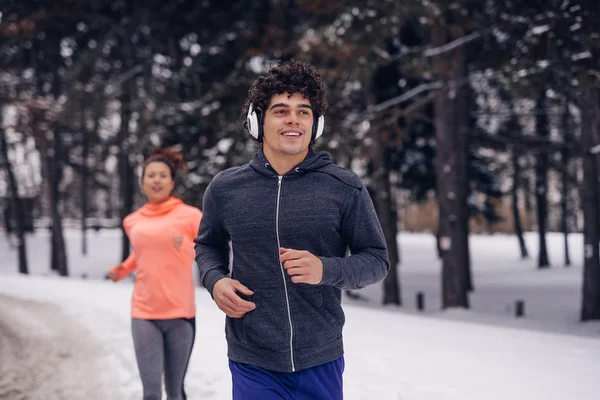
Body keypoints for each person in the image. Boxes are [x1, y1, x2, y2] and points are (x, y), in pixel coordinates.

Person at [194, 59, 389, 400]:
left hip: (321, 359)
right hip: (252, 358)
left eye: (304, 111)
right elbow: (207, 245)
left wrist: (326, 269)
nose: (293, 120)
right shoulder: (225, 189)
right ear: (257, 121)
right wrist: (215, 280)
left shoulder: (343, 187)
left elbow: (376, 259)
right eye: (281, 110)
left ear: (316, 124)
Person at [108, 147, 202, 400]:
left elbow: (207, 250)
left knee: (175, 391)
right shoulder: (132, 221)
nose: (156, 180)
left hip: (180, 313)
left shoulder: (192, 216)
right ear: (142, 182)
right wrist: (124, 268)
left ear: (172, 181)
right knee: (151, 393)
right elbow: (142, 253)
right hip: (144, 313)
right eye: (151, 175)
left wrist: (189, 248)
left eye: (162, 175)